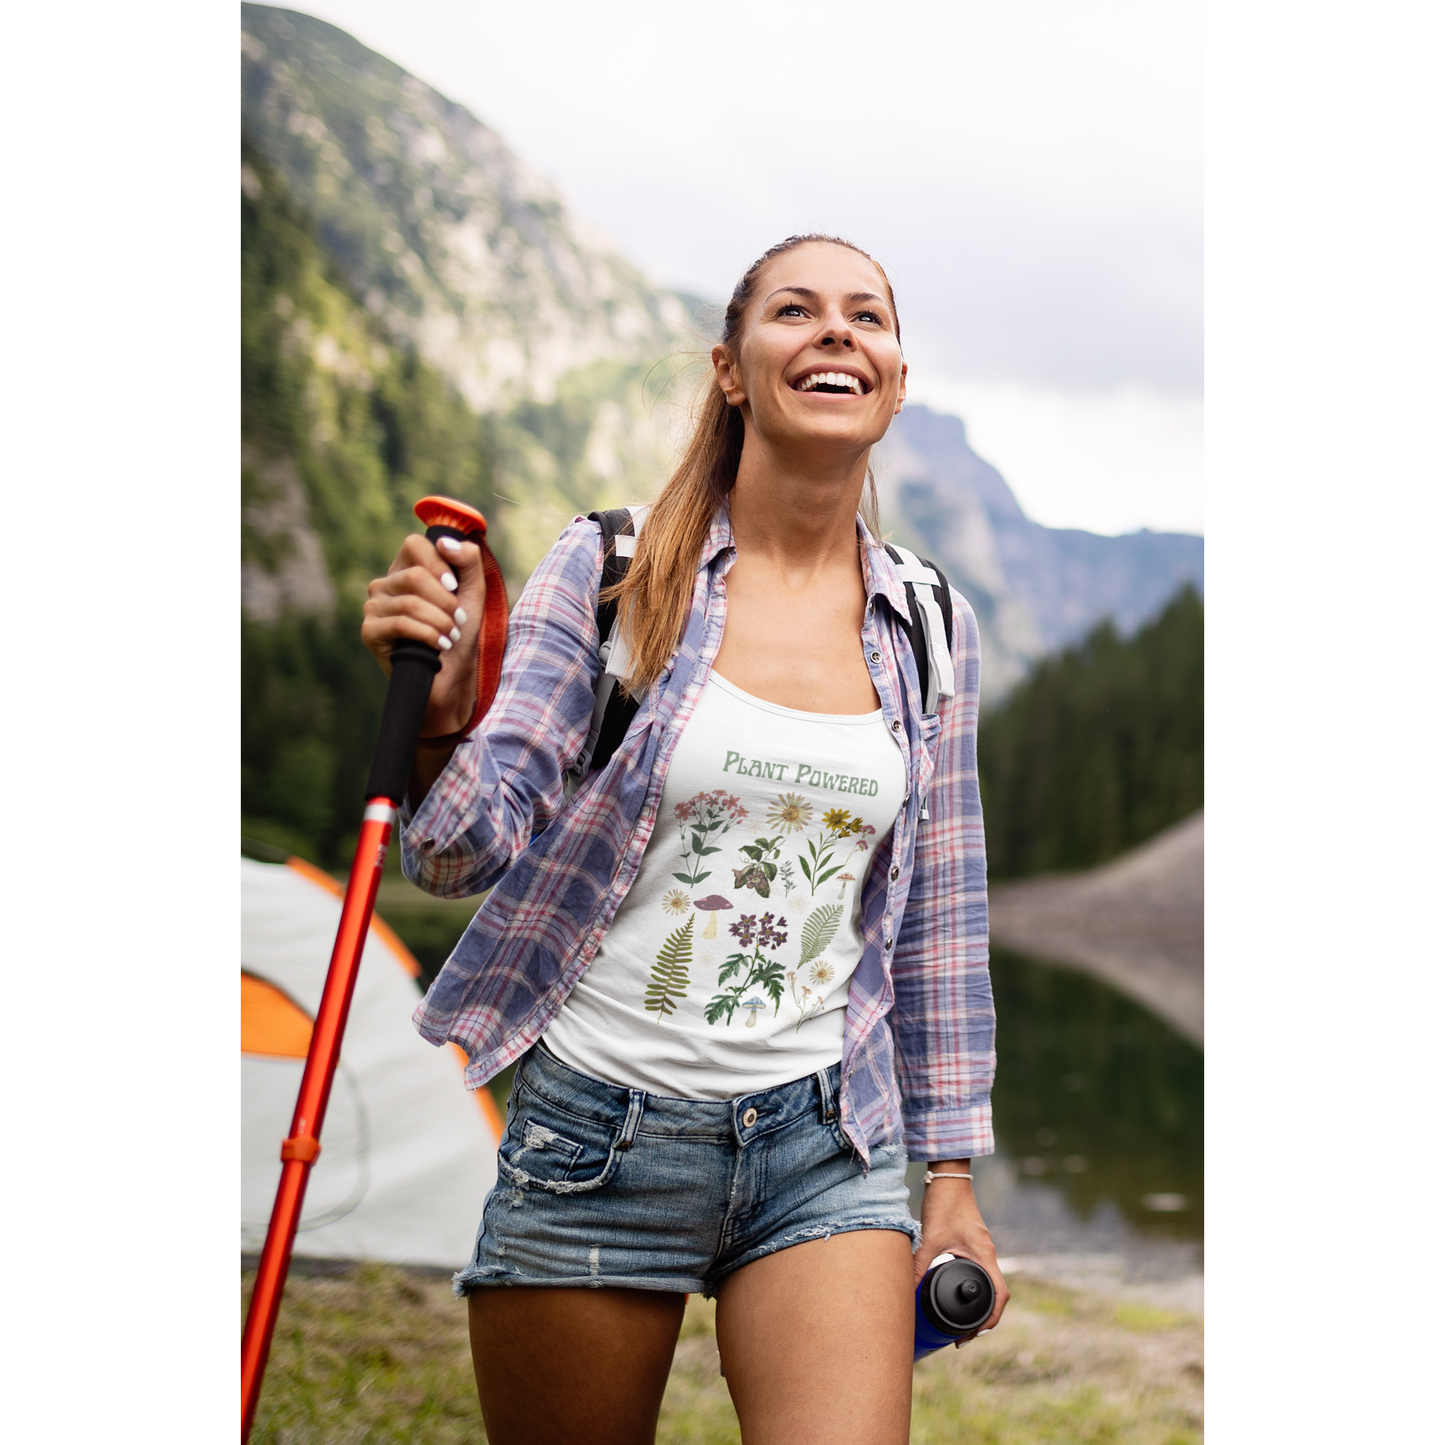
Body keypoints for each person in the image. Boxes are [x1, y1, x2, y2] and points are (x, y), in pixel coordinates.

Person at [361, 234, 1005, 1445]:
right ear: (728, 366)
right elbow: (457, 853)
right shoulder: (609, 569)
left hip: (827, 1141)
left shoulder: (927, 619)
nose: (832, 332)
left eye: (865, 316)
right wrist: (439, 729)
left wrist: (952, 1177)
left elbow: (941, 915)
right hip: (597, 1126)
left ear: (896, 377)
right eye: (794, 311)